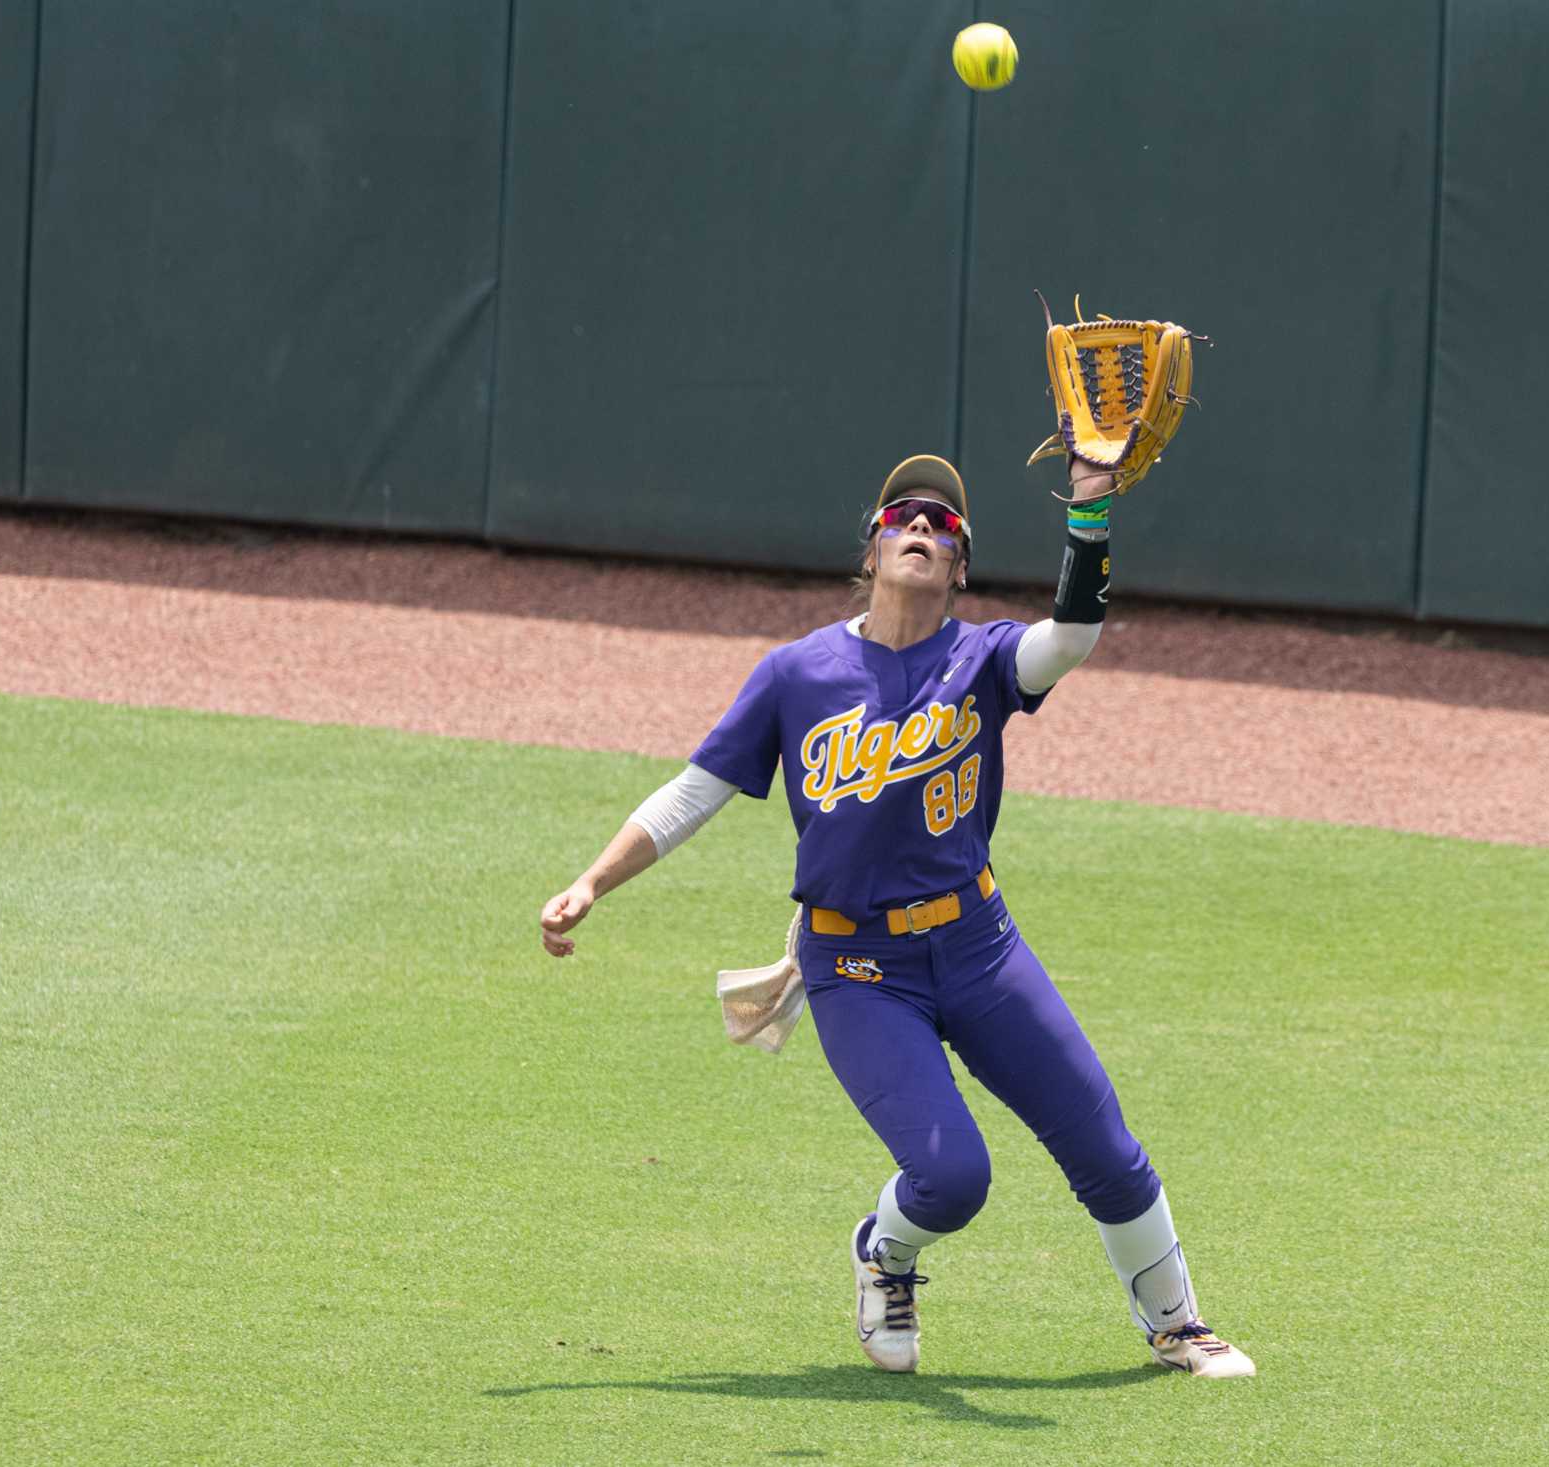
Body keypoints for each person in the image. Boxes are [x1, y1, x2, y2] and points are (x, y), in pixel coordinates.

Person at [537, 452, 1254, 1379]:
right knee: (954, 1177)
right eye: (905, 516)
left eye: (944, 525)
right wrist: (593, 881)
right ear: (873, 546)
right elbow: (694, 793)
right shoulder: (799, 673)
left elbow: (1071, 636)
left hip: (978, 946)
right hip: (859, 968)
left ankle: (1176, 1324)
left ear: (959, 566)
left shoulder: (984, 657)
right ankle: (885, 1251)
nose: (923, 527)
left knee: (1102, 1142)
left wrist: (1089, 509)